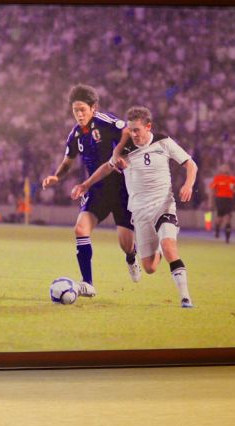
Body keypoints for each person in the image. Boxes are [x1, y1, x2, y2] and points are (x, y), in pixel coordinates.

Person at [72, 105, 197, 308]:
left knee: (169, 247)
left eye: (137, 130)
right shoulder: (125, 150)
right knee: (149, 267)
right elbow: (106, 167)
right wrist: (86, 184)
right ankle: (156, 245)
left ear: (148, 127)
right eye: (130, 130)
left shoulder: (163, 142)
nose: (133, 134)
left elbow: (191, 164)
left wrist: (188, 184)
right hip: (139, 211)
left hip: (163, 205)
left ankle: (185, 298)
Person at [41, 84, 139, 297]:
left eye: (82, 109)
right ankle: (88, 283)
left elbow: (128, 130)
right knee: (80, 229)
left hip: (122, 189)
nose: (79, 114)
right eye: (75, 110)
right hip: (97, 189)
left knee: (126, 245)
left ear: (93, 108)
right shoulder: (75, 135)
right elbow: (68, 161)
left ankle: (132, 257)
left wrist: (121, 153)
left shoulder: (105, 121)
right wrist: (56, 176)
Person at [209, 164, 235, 243]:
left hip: (229, 199)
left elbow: (234, 189)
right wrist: (210, 202)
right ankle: (217, 230)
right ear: (221, 169)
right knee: (220, 218)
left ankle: (227, 238)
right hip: (220, 199)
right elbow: (212, 190)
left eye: (227, 167)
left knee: (228, 217)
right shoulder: (218, 178)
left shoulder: (232, 179)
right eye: (224, 167)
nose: (226, 168)